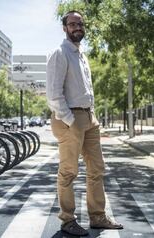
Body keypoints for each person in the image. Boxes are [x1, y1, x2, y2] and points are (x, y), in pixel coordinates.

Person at [46, 10, 123, 236]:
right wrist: (71, 121)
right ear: (64, 28)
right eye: (72, 24)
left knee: (97, 169)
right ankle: (67, 220)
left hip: (89, 117)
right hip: (70, 118)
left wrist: (91, 116)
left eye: (80, 24)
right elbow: (53, 94)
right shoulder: (59, 53)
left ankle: (97, 217)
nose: (77, 27)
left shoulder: (81, 54)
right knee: (69, 171)